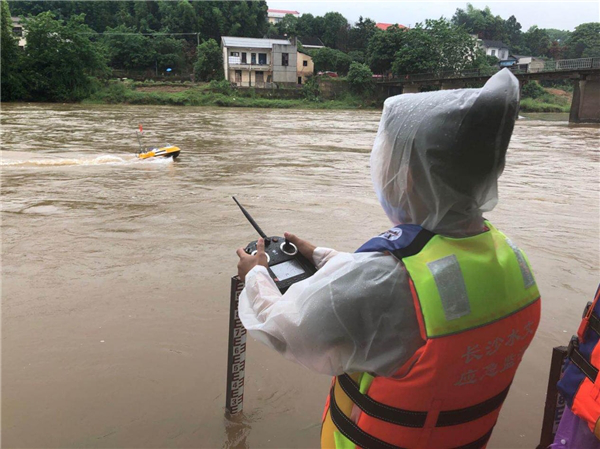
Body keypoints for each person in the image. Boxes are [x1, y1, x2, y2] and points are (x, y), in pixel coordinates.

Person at [236, 69, 541, 449]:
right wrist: (324, 257)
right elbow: (421, 287)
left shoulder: (386, 280)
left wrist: (256, 275)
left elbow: (287, 328)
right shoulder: (512, 259)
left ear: (408, 176)